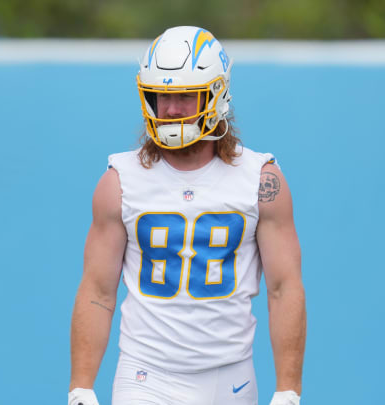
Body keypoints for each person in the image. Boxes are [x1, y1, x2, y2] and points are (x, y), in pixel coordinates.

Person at [69, 26, 306, 405]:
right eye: (162, 96)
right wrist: (80, 386)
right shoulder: (120, 182)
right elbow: (98, 291)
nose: (172, 109)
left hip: (230, 378)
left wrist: (288, 389)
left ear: (216, 94)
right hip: (145, 375)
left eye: (185, 95)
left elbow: (284, 288)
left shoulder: (261, 179)